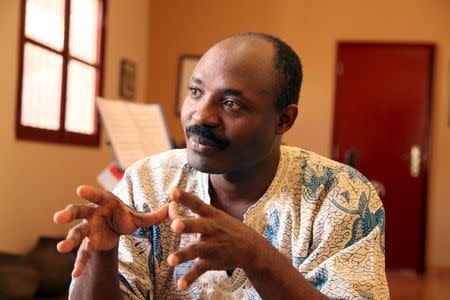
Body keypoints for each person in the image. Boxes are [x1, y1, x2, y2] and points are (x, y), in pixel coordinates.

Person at [54, 32, 389, 299]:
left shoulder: (340, 195)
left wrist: (258, 256)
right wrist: (104, 253)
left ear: (283, 120)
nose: (201, 115)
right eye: (196, 92)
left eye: (231, 103)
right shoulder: (146, 182)